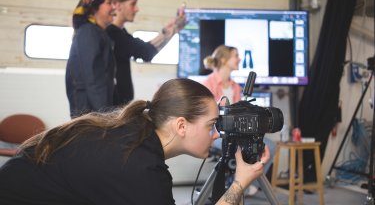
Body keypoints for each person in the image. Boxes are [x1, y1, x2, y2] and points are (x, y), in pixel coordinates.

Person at [0, 78, 270, 205]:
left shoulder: (134, 132)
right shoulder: (140, 167)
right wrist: (240, 184)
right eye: (212, 125)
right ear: (181, 125)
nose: (216, 134)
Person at [202, 45, 276, 196]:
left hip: (238, 133)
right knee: (241, 147)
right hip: (215, 135)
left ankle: (249, 184)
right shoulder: (207, 84)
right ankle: (238, 182)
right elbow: (205, 116)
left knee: (270, 146)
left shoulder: (236, 87)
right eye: (236, 55)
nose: (240, 59)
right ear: (223, 59)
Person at [106, 0, 186, 106]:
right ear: (117, 5)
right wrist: (168, 31)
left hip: (120, 105)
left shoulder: (121, 33)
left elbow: (147, 53)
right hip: (113, 107)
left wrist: (172, 31)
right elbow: (145, 50)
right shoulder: (112, 33)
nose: (137, 9)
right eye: (132, 4)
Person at [65, 0, 116, 118]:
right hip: (89, 112)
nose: (114, 7)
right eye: (109, 3)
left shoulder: (98, 32)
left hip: (94, 110)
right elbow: (93, 77)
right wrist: (105, 116)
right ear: (94, 7)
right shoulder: (88, 32)